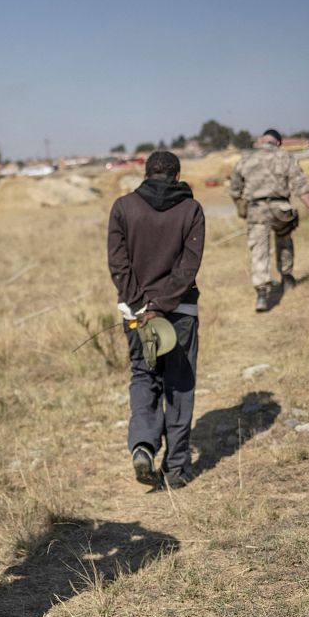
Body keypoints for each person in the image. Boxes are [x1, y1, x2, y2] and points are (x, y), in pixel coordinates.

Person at [107, 151, 205, 489]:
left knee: (144, 376)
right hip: (180, 313)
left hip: (136, 316)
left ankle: (144, 445)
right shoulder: (191, 210)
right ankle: (176, 468)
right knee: (179, 383)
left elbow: (118, 264)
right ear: (177, 176)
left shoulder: (123, 208)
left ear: (147, 174)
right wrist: (161, 307)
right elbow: (188, 267)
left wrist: (141, 305)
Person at [228, 129, 309, 311]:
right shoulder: (286, 157)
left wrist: (242, 208)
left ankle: (262, 295)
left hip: (256, 210)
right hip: (281, 209)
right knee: (284, 241)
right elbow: (301, 187)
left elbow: (234, 189)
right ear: (279, 143)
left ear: (262, 141)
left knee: (259, 250)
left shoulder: (247, 158)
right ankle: (287, 277)